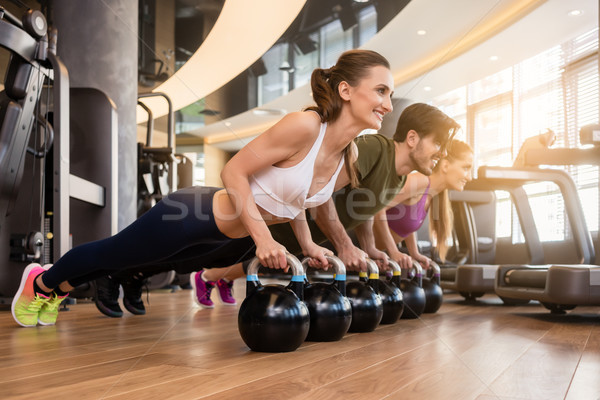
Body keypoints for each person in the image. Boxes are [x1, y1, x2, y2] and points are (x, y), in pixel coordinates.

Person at [11, 49, 395, 327]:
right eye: (380, 91)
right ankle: (41, 282)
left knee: (128, 263)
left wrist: (309, 244)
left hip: (220, 237)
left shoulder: (346, 154)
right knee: (114, 255)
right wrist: (263, 239)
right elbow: (233, 172)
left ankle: (57, 284)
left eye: (390, 94)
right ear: (345, 90)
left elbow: (296, 199)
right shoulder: (305, 126)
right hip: (194, 215)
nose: (387, 104)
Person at [102, 103, 460, 311]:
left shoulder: (398, 177)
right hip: (272, 221)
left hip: (293, 236)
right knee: (192, 255)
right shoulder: (371, 149)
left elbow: (365, 210)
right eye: (439, 146)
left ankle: (132, 275)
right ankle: (121, 273)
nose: (443, 155)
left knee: (200, 258)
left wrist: (367, 246)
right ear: (412, 138)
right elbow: (317, 197)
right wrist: (344, 244)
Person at [373, 139, 474, 269]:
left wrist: (414, 252)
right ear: (445, 166)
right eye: (466, 168)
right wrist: (393, 251)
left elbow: (406, 220)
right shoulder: (419, 181)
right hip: (356, 245)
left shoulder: (432, 194)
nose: (470, 177)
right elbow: (376, 207)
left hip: (369, 253)